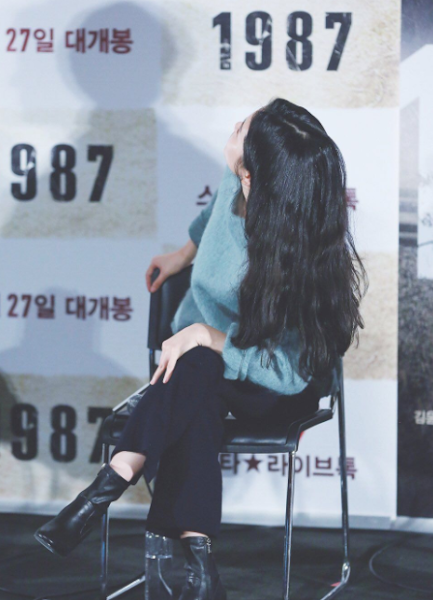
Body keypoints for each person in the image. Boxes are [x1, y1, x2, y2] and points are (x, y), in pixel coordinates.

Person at [34, 97, 368, 600]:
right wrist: (183, 254)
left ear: (254, 175)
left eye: (242, 129)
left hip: (273, 387)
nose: (234, 126)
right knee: (194, 387)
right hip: (209, 372)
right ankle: (199, 565)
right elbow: (213, 215)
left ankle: (105, 488)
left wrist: (210, 336)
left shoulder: (302, 258)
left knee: (192, 367)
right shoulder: (237, 180)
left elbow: (288, 375)